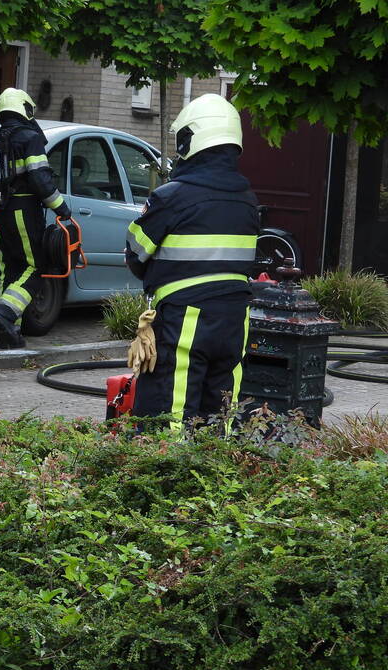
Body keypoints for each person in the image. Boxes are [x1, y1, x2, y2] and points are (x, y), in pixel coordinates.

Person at [124, 93, 259, 433]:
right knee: (222, 408)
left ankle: (170, 478)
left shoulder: (172, 197)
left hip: (186, 317)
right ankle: (220, 478)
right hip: (235, 318)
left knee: (171, 409)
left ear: (190, 139)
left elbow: (135, 252)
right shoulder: (247, 200)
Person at [0, 88, 72, 349]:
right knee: (35, 267)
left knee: (9, 268)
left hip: (0, 209)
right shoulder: (29, 138)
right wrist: (61, 208)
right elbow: (39, 178)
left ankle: (9, 334)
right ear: (24, 108)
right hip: (24, 209)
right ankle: (5, 314)